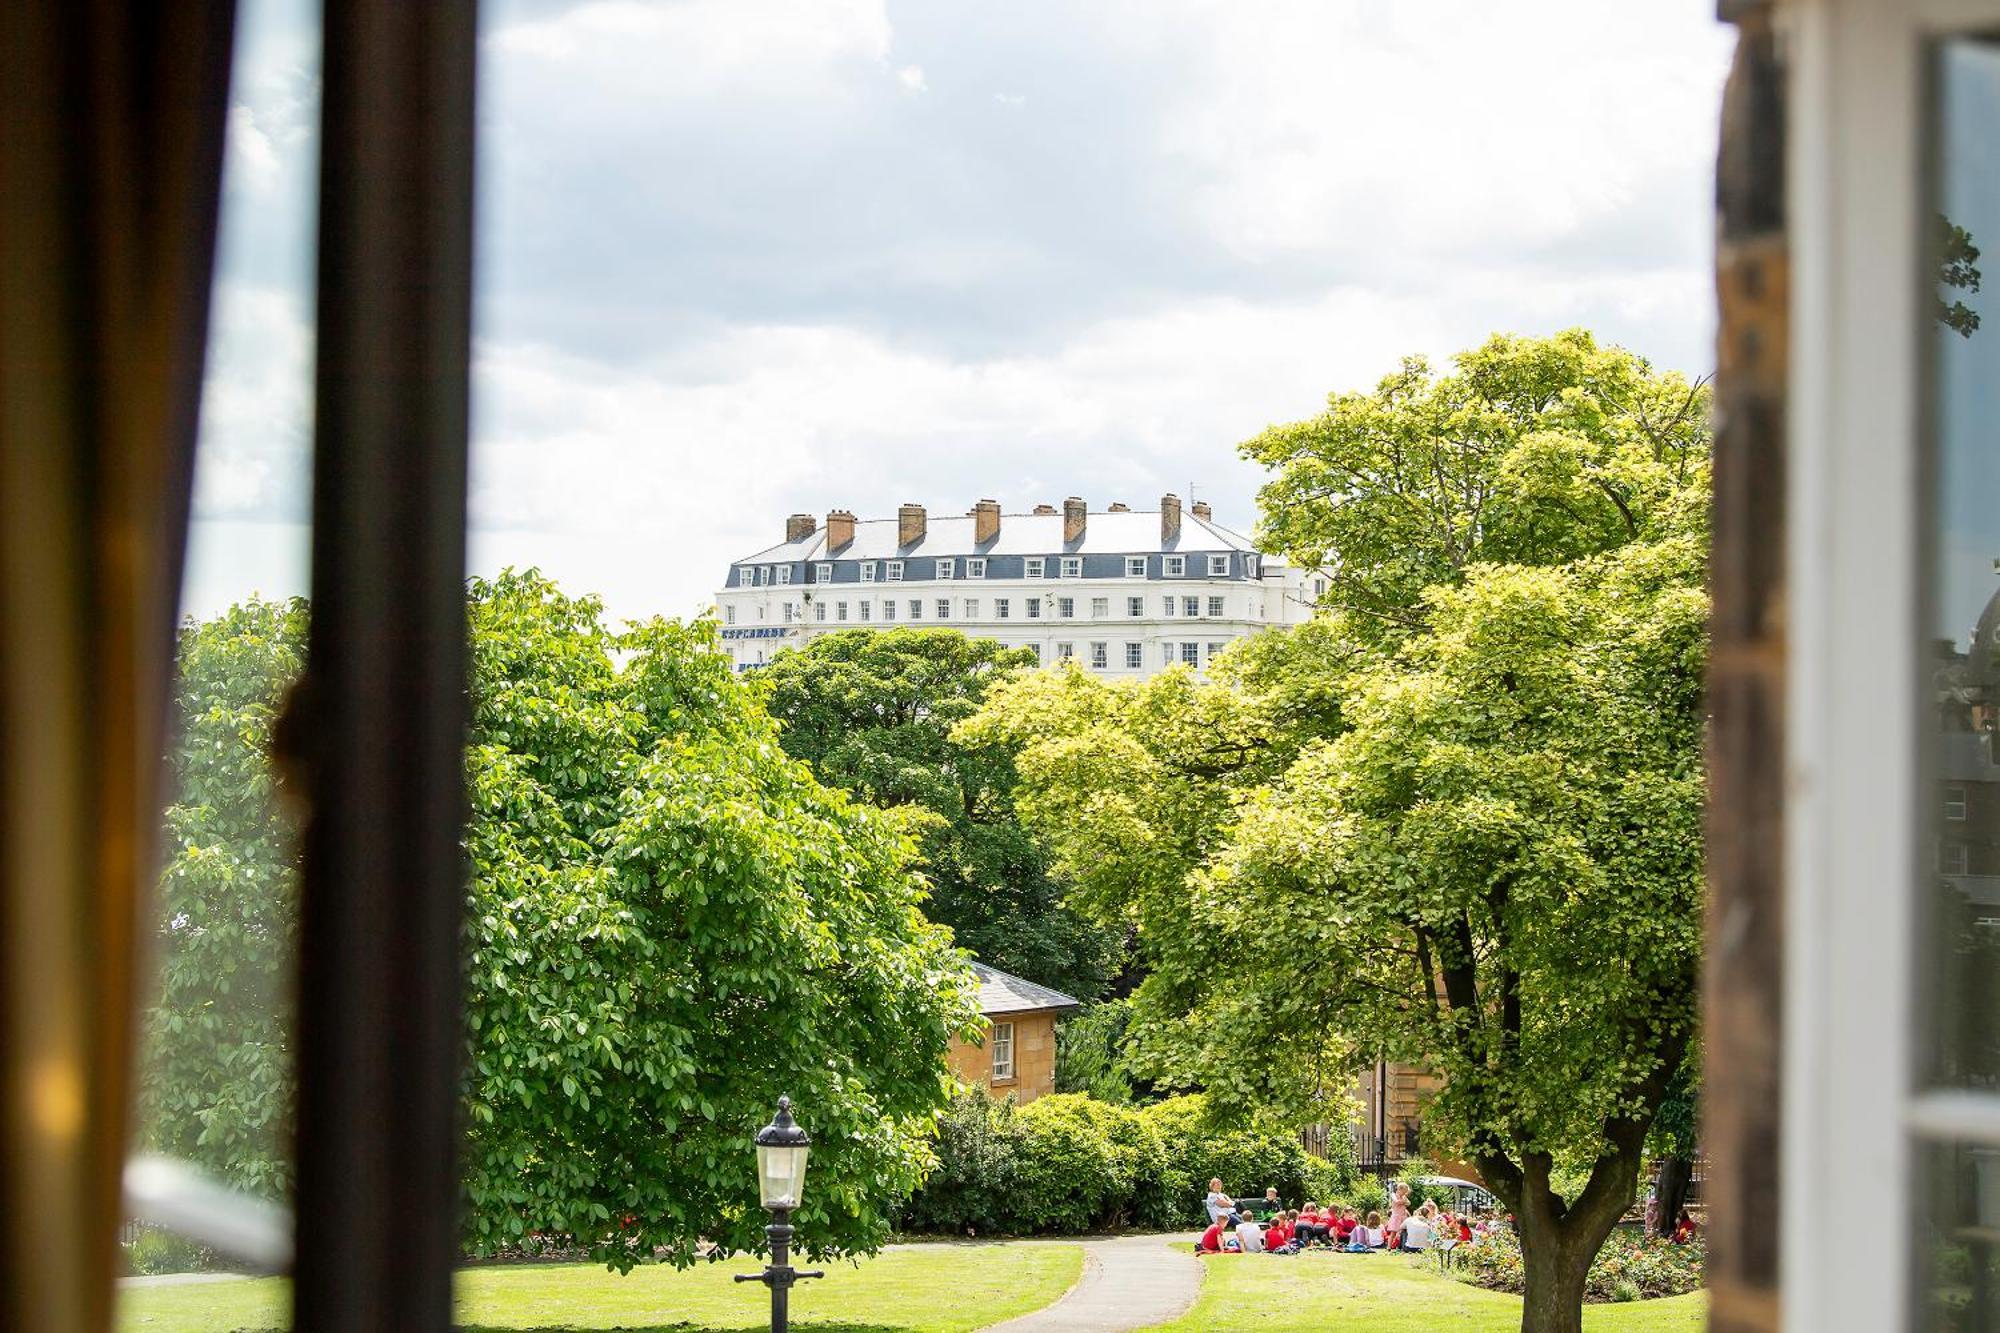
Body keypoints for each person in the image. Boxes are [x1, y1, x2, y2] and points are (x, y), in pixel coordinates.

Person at [1385, 1183, 1411, 1250]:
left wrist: (1404, 1201)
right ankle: (1389, 1246)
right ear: (1399, 1189)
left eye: (1405, 1192)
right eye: (1404, 1192)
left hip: (1403, 1216)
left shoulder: (1404, 1197)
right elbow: (1396, 1202)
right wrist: (1403, 1201)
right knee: (1393, 1232)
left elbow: (1409, 1203)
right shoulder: (1394, 1195)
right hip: (1396, 1216)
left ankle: (1402, 1245)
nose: (1404, 1194)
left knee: (1404, 1231)